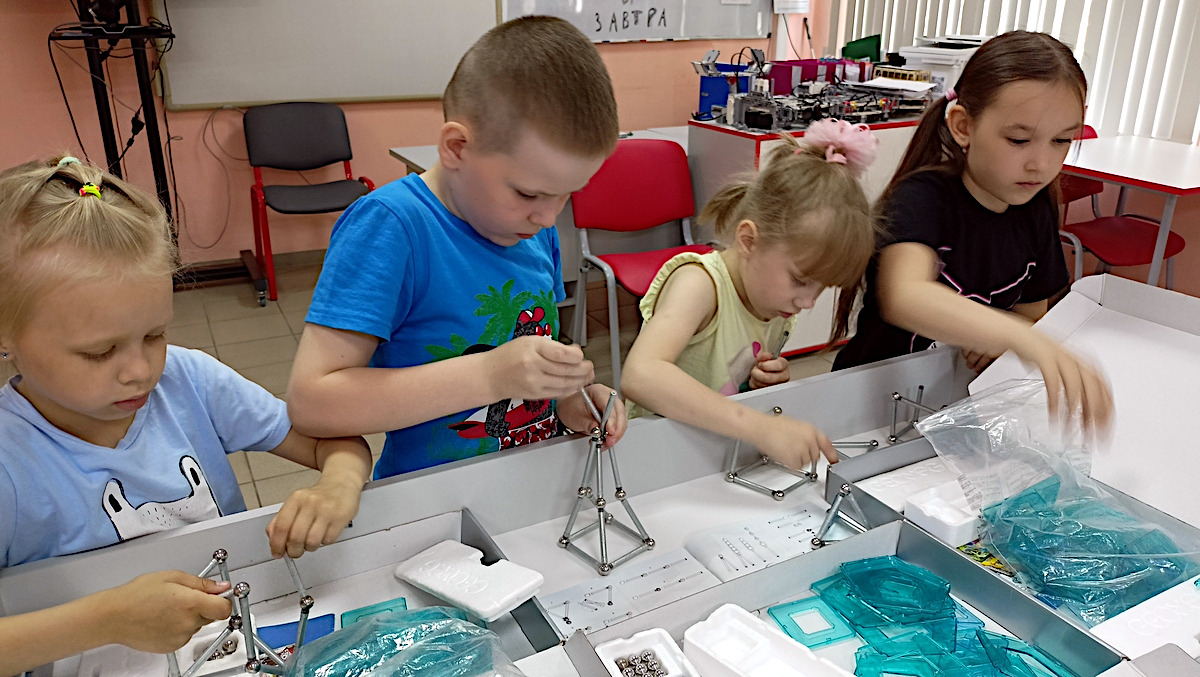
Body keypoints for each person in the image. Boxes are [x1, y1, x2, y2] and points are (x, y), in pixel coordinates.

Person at [0, 156, 373, 674]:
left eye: (155, 334)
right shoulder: (10, 460)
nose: (140, 371)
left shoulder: (188, 379)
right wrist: (106, 619)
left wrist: (339, 484)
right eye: (98, 352)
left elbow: (335, 441)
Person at [288, 16, 627, 479]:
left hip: (531, 483)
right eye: (528, 193)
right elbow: (312, 403)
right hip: (434, 499)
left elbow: (527, 356)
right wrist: (490, 376)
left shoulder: (530, 228)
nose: (549, 218)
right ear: (457, 147)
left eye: (566, 194)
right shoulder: (391, 228)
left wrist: (569, 398)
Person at [832, 31, 1113, 430]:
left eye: (1061, 140)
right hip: (866, 407)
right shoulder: (923, 197)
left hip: (953, 407)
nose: (1040, 163)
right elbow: (904, 296)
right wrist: (1020, 338)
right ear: (963, 126)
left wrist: (1002, 339)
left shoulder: (1034, 209)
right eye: (1019, 139)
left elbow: (1030, 313)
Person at [621, 119, 882, 470]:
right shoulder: (699, 284)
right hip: (656, 456)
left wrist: (760, 382)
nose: (807, 302)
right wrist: (759, 426)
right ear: (748, 240)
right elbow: (641, 374)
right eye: (800, 280)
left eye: (822, 288)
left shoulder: (772, 303)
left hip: (710, 455)